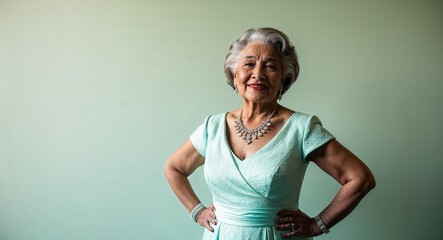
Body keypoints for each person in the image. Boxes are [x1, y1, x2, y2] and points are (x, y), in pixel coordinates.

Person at [164, 27, 375, 239]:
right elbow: (174, 168)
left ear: (283, 79)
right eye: (249, 64)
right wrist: (197, 211)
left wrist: (317, 225)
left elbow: (360, 178)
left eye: (270, 66)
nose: (258, 74)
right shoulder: (213, 127)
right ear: (234, 74)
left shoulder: (301, 128)